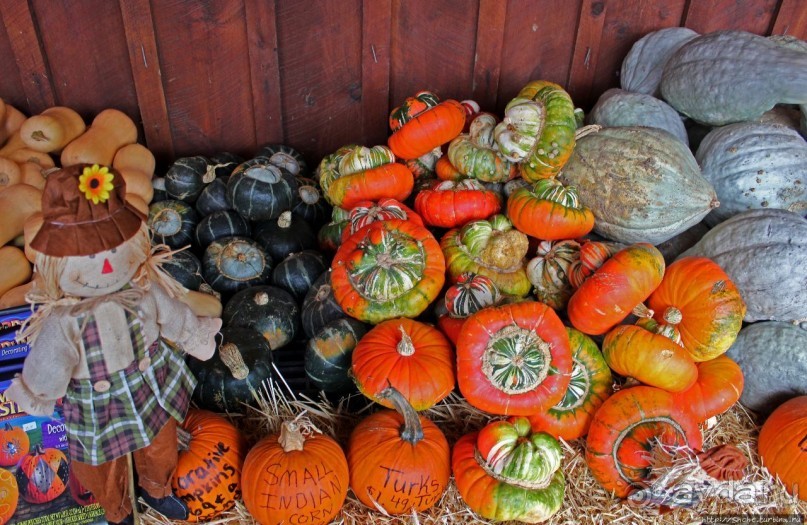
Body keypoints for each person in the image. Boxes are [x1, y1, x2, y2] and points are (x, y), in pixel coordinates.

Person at [6, 163, 221, 525]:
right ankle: (118, 508)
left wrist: (193, 335)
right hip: (96, 402)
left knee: (161, 445)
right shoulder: (65, 321)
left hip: (149, 386)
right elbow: (48, 364)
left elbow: (174, 315)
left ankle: (156, 488)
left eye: (113, 252)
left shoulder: (143, 292)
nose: (106, 268)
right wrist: (38, 394)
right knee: (100, 467)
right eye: (91, 258)